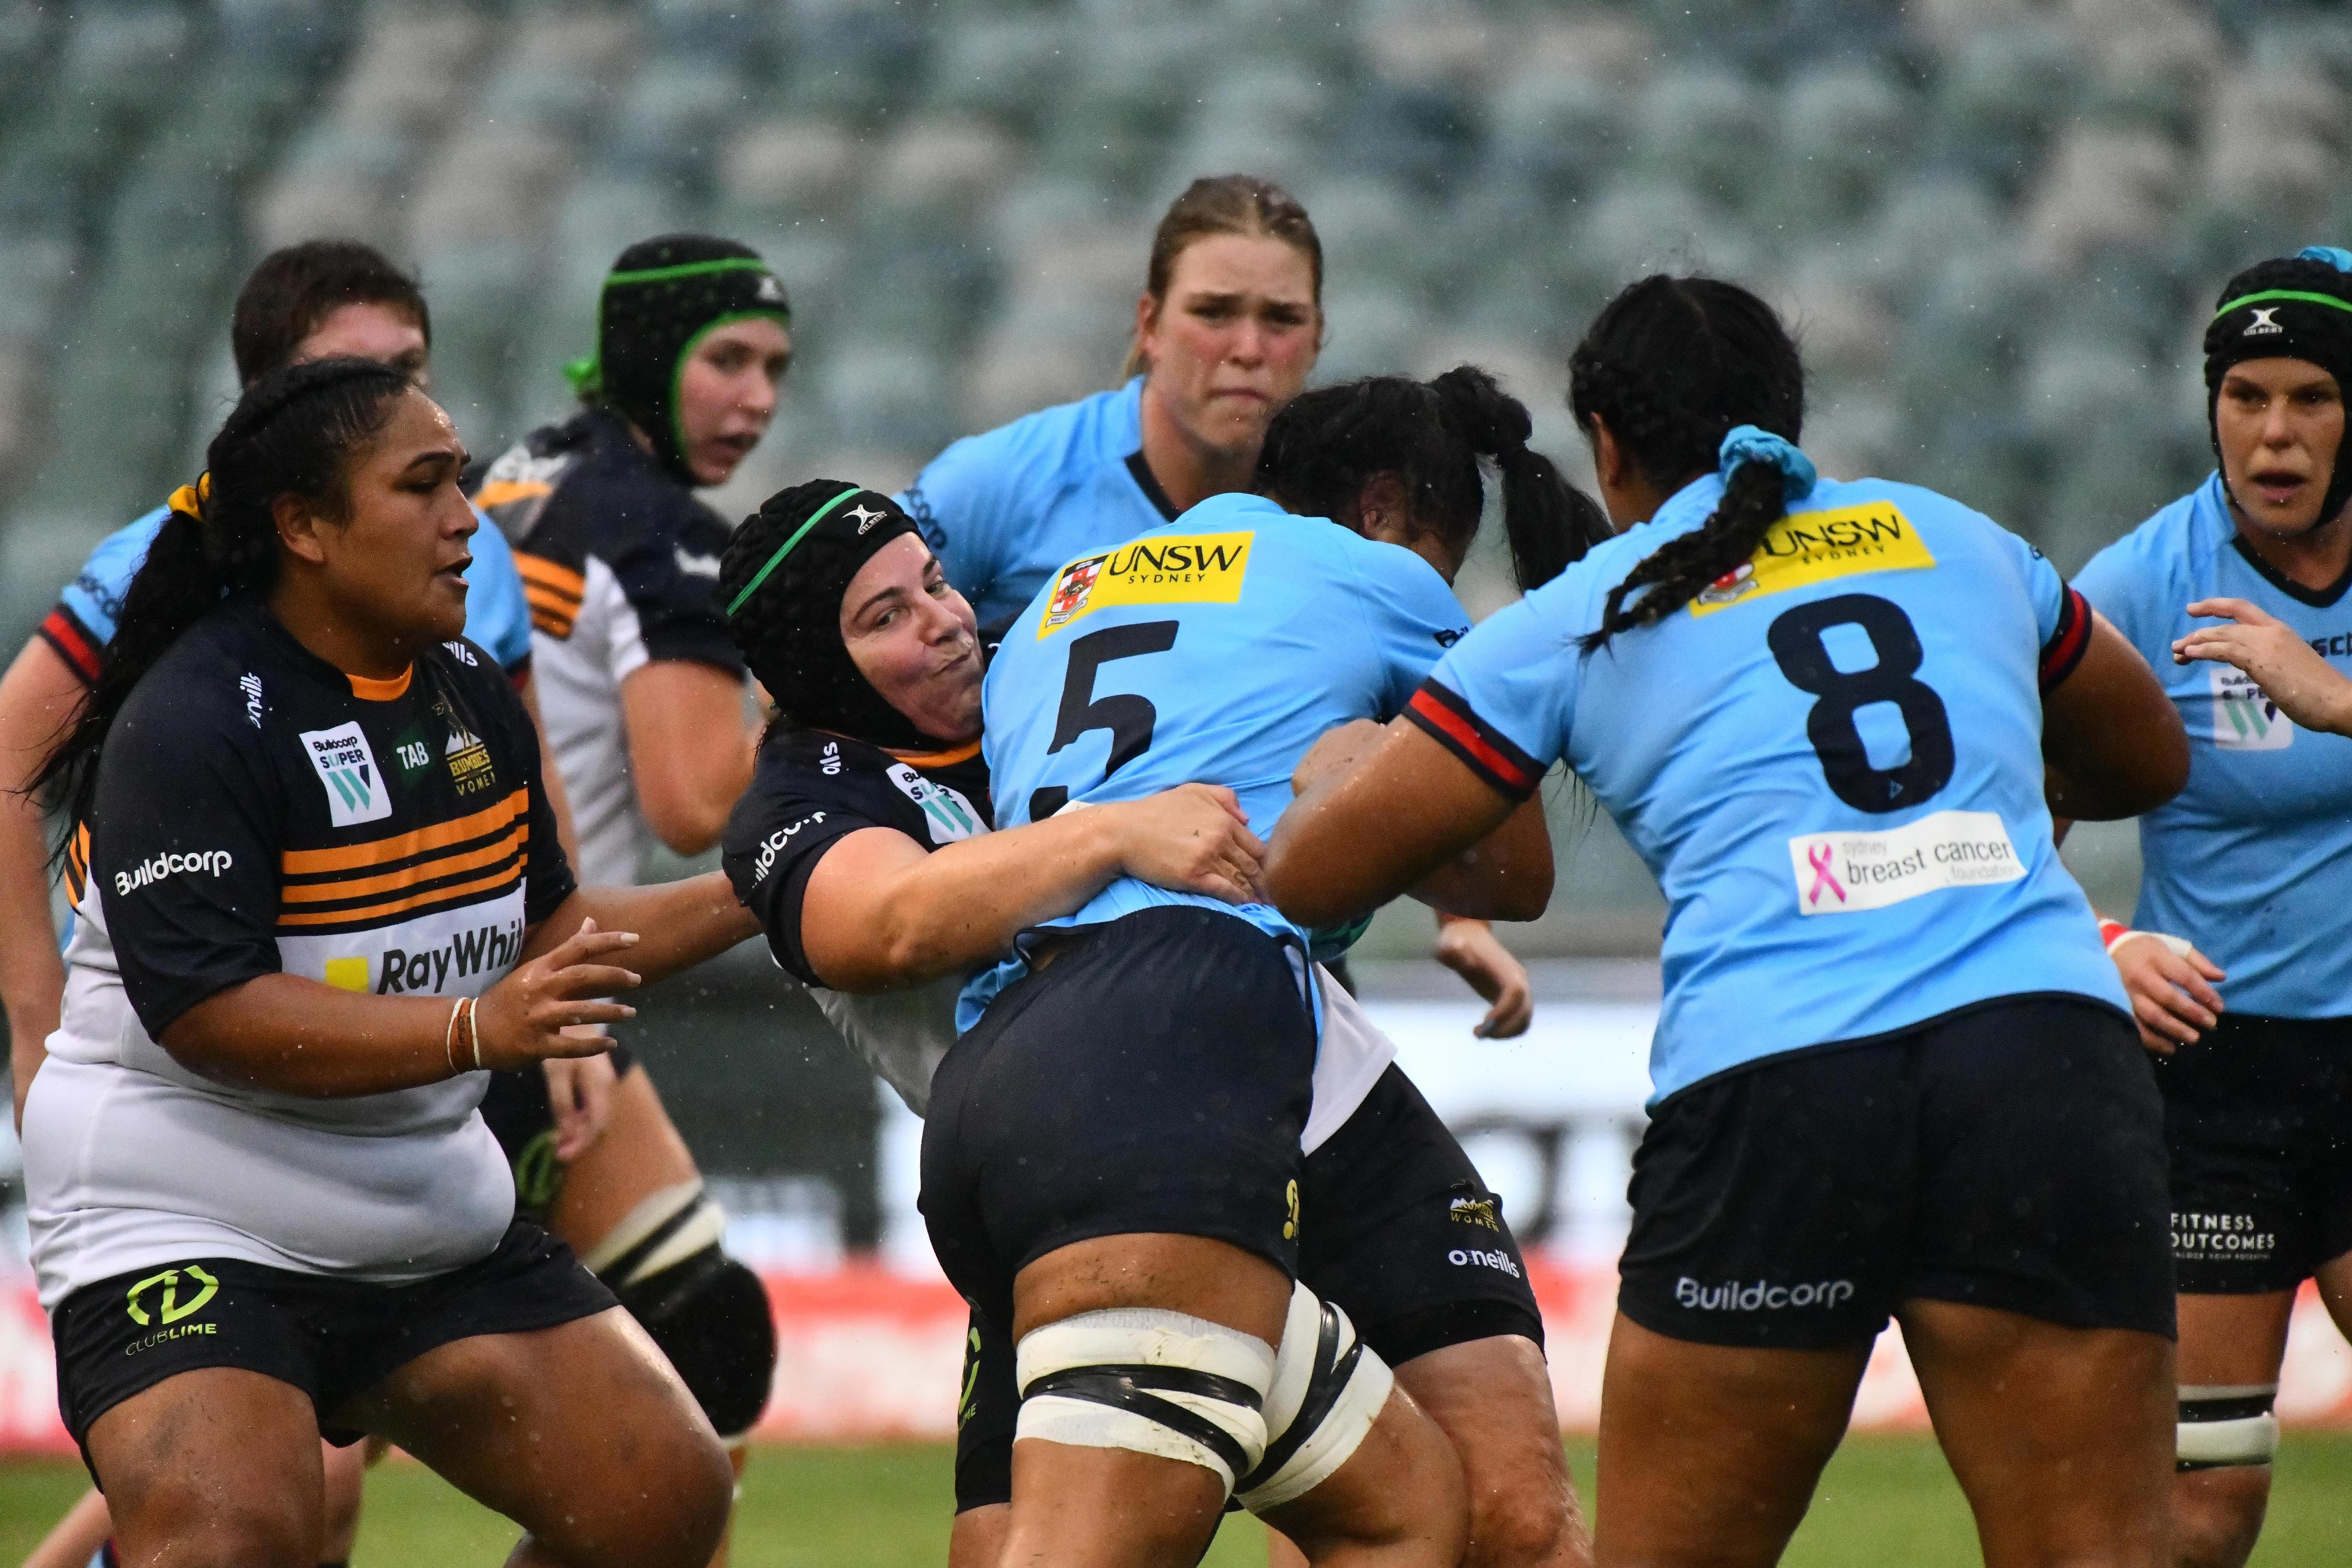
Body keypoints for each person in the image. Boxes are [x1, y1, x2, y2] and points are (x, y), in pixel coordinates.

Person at [1257, 275, 2194, 1568]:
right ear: (1783, 415)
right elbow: (2146, 757)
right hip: (2041, 1060)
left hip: (1783, 1086)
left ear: (1607, 443)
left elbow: (1311, 878)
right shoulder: (1957, 535)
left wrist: (1333, 763)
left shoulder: (1581, 613)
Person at [722, 369, 1603, 1568]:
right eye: (884, 616)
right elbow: (881, 923)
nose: (943, 620)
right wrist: (1124, 829)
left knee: (1441, 1508)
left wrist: (1398, 855)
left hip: (1241, 1057)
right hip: (1107, 1099)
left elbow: (1300, 765)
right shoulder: (810, 793)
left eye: (935, 583)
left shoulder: (1037, 635)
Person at [21, 357, 763, 1568]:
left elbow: (551, 928)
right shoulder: (193, 717)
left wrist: (760, 885)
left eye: (460, 481)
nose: (467, 518)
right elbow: (207, 1010)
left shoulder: (467, 689)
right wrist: (475, 1029)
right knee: (235, 1541)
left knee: (665, 1499)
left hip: (423, 1209)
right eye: (423, 486)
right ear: (304, 527)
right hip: (184, 1217)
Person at [0, 239, 551, 1568]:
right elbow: (13, 758)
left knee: (673, 1412)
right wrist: (34, 1017)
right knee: (270, 1501)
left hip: (418, 1048)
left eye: (408, 369)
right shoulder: (165, 575)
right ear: (274, 420)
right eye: (349, 374)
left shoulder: (463, 563)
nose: (390, 396)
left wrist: (571, 1000)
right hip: (212, 1077)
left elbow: (527, 814)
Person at [898, 172, 1533, 1039]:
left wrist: (1462, 913)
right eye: (1214, 312)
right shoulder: (1001, 485)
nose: (1247, 349)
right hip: (1037, 926)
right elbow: (835, 638)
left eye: (1281, 319)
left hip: (1262, 915)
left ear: (1319, 340)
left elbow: (1390, 719)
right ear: (1148, 326)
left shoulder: (1340, 519)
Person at [469, 233, 795, 1504]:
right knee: (314, 1433)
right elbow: (697, 800)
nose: (755, 399)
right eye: (728, 360)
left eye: (775, 368)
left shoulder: (512, 475)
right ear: (653, 356)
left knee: (705, 1344)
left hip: (457, 964)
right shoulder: (663, 531)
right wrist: (831, 709)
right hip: (513, 990)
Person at [2070, 247, 2352, 1568]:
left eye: (2313, 397)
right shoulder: (2138, 586)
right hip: (2214, 1079)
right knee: (2202, 1508)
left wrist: (2338, 699)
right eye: (2246, 396)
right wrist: (2100, 946)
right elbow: (1991, 819)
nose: (2274, 433)